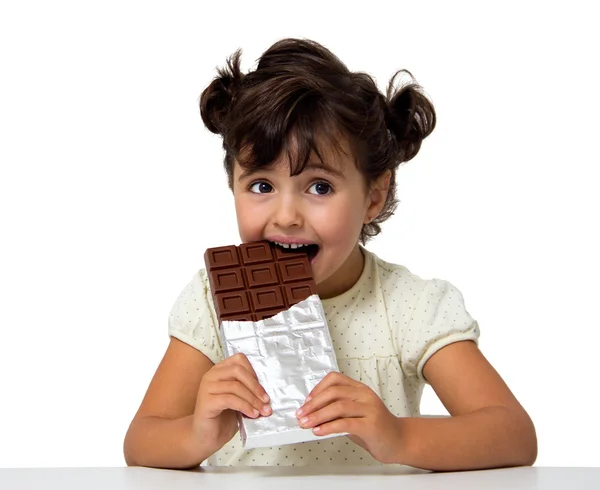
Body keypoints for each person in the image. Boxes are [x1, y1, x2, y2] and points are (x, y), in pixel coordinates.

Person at [123, 38, 537, 471]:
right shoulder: (213, 301)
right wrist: (197, 433)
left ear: (374, 196)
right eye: (261, 186)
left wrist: (395, 435)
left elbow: (512, 434)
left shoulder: (410, 306)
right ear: (233, 187)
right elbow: (142, 441)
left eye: (319, 186)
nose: (286, 216)